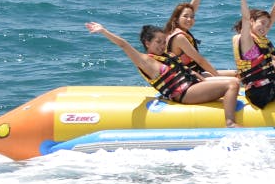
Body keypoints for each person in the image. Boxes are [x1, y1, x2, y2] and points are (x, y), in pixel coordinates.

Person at [85, 21, 240, 126]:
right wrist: (103, 31)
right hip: (184, 94)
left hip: (194, 86)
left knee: (233, 80)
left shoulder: (166, 56)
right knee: (232, 84)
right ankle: (230, 123)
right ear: (147, 43)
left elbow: (188, 71)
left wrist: (207, 83)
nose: (162, 45)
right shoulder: (146, 61)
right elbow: (124, 45)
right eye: (158, 42)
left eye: (164, 42)